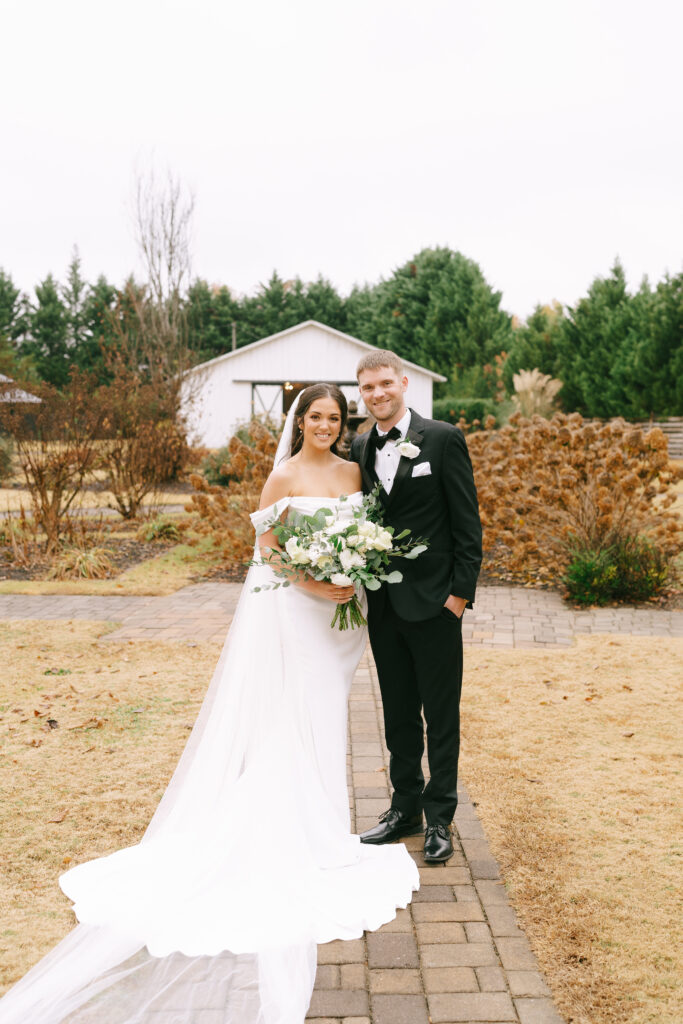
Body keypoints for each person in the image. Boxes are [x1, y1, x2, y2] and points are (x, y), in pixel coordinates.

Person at [0, 383, 418, 1024]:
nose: (327, 426)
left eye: (335, 418)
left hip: (345, 613)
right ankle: (295, 832)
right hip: (298, 610)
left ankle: (325, 827)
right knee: (293, 715)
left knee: (326, 715)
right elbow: (267, 550)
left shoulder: (355, 469)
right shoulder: (282, 476)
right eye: (316, 417)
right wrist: (314, 581)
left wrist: (352, 574)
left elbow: (364, 532)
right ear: (299, 421)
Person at [350, 352, 482, 864]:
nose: (378, 394)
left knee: (441, 716)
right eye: (368, 387)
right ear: (360, 392)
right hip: (383, 607)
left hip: (435, 606)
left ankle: (439, 819)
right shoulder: (361, 445)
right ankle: (403, 808)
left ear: (403, 383)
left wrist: (457, 599)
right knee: (399, 713)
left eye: (385, 383)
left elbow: (467, 526)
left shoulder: (443, 438)